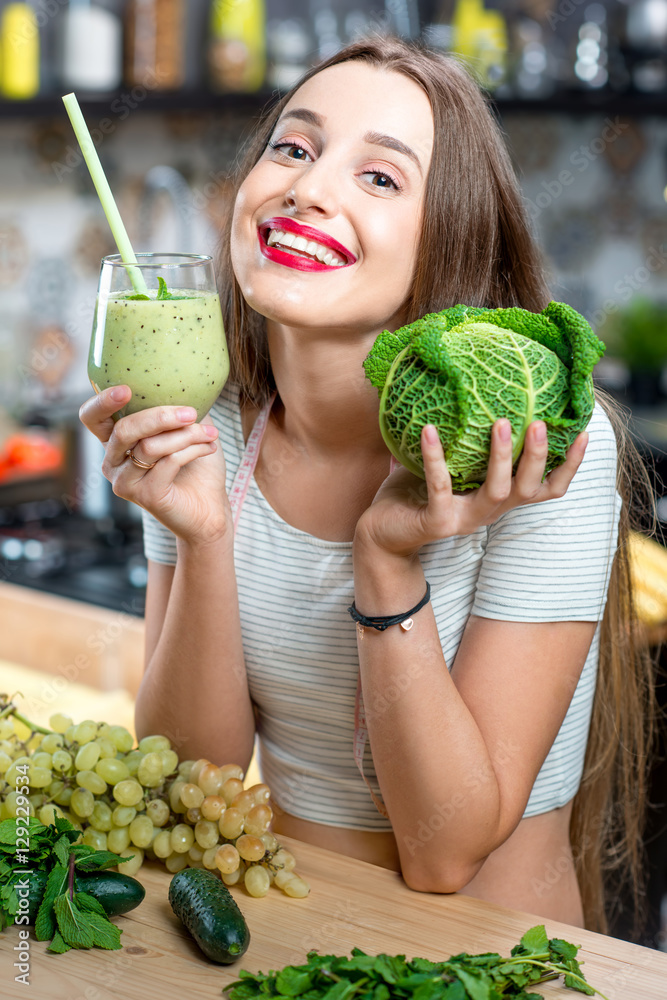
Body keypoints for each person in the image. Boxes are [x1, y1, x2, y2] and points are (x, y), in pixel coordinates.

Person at [80, 35, 655, 934]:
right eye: (294, 150)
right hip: (288, 944)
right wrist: (202, 538)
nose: (308, 189)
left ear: (450, 237)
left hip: (490, 969)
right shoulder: (201, 421)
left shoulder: (532, 457)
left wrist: (387, 566)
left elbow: (445, 851)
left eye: (379, 178)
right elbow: (197, 785)